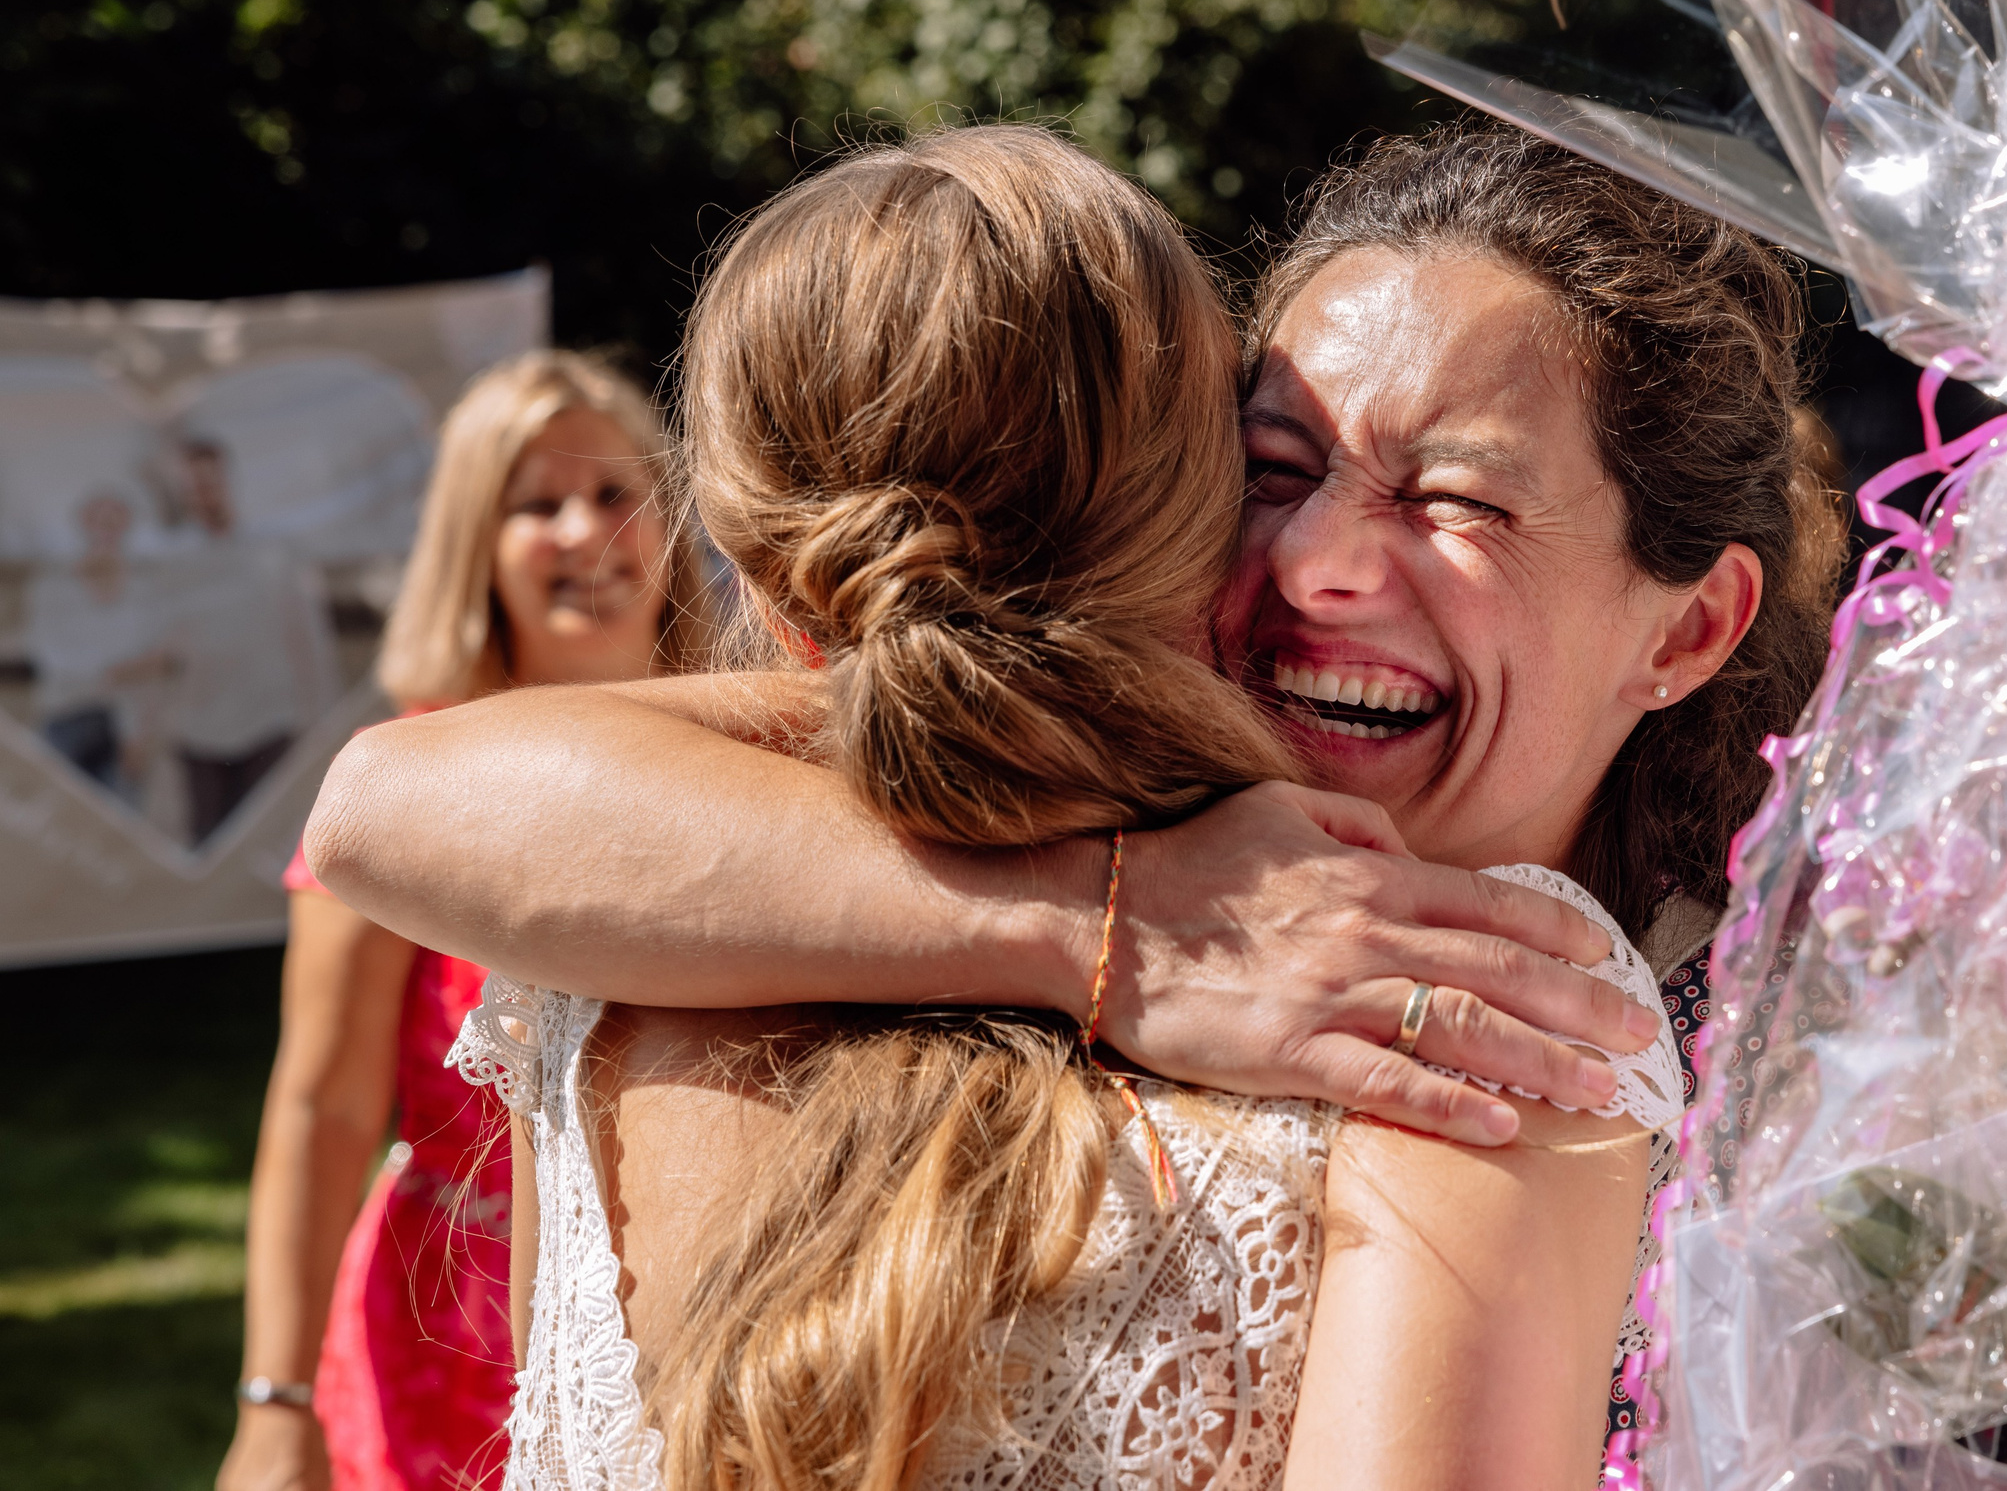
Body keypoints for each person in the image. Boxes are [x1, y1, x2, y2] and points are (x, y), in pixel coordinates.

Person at [310, 119, 1841, 1463]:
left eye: (1459, 501)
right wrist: (1106, 923)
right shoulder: (995, 808)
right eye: (1277, 466)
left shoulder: (1701, 1061)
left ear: (1691, 627)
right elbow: (392, 803)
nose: (1317, 562)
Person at [218, 352, 715, 1491]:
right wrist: (274, 1403)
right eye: (537, 503)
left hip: (699, 1311)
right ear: (475, 550)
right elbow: (323, 1105)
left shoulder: (758, 755)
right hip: (444, 1345)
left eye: (612, 490)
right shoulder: (406, 793)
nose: (586, 529)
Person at [165, 433, 337, 842]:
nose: (203, 495)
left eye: (210, 482)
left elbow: (308, 640)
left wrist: (321, 719)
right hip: (198, 726)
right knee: (208, 838)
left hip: (270, 720)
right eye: (193, 487)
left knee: (267, 838)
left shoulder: (275, 554)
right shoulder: (172, 561)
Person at [25, 486, 175, 801]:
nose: (106, 530)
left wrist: (137, 731)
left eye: (114, 521)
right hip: (67, 717)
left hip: (126, 727)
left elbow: (155, 663)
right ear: (84, 524)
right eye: (99, 521)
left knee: (123, 822)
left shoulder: (144, 591)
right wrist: (121, 670)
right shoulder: (54, 588)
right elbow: (54, 660)